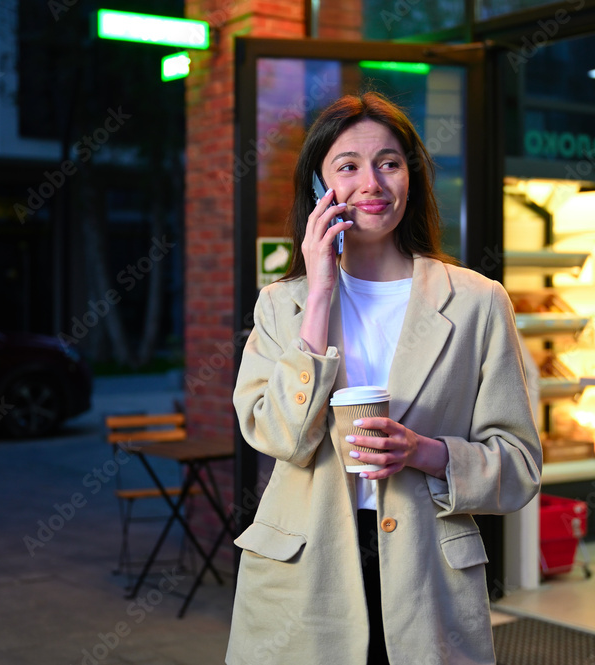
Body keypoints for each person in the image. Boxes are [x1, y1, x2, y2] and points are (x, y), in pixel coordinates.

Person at [227, 92, 542, 665]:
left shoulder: (478, 301)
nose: (371, 182)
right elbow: (278, 438)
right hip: (305, 575)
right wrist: (319, 292)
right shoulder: (280, 304)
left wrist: (425, 452)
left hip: (428, 576)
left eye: (389, 163)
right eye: (347, 166)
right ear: (319, 187)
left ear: (411, 177)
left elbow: (519, 466)